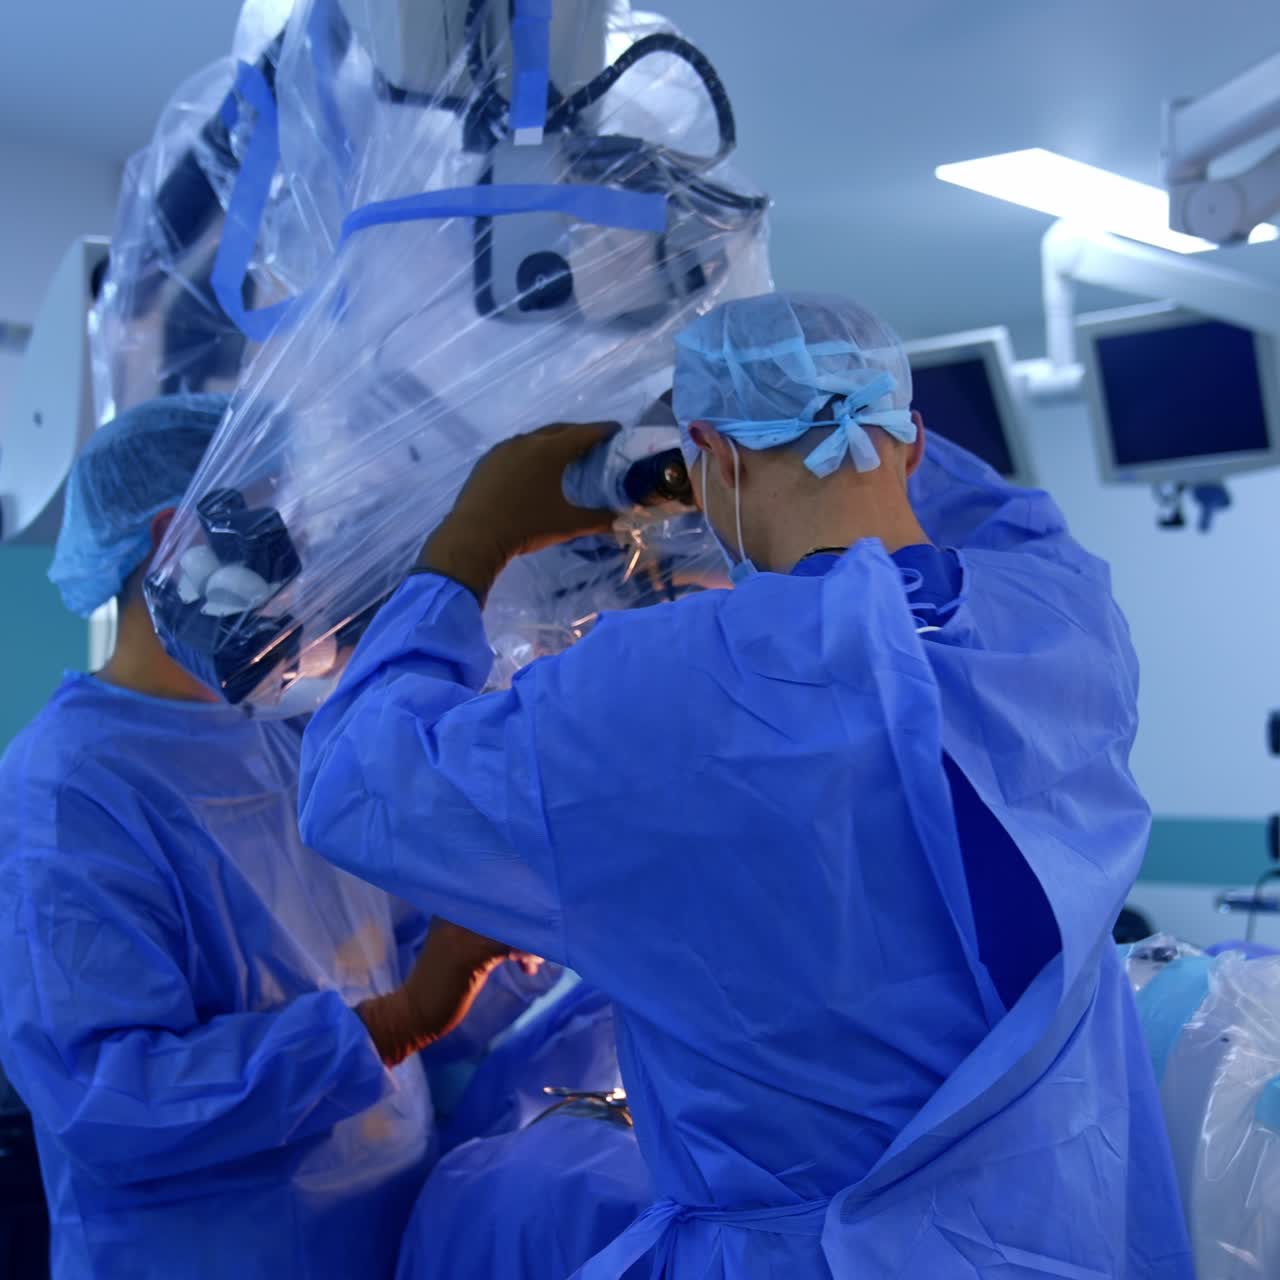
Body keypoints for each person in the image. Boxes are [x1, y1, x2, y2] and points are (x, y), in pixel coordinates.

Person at [298, 293, 1194, 1278]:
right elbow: (1001, 515)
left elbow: (354, 780)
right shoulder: (1063, 619)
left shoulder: (665, 686)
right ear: (909, 442)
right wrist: (831, 403)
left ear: (712, 458)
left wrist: (475, 532)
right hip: (1062, 1234)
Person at [0, 394, 547, 1280]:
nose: (322, 574)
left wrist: (526, 947)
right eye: (300, 536)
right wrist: (397, 1020)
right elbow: (109, 1102)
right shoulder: (70, 789)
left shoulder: (287, 741)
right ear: (178, 538)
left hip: (382, 1233)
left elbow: (413, 977)